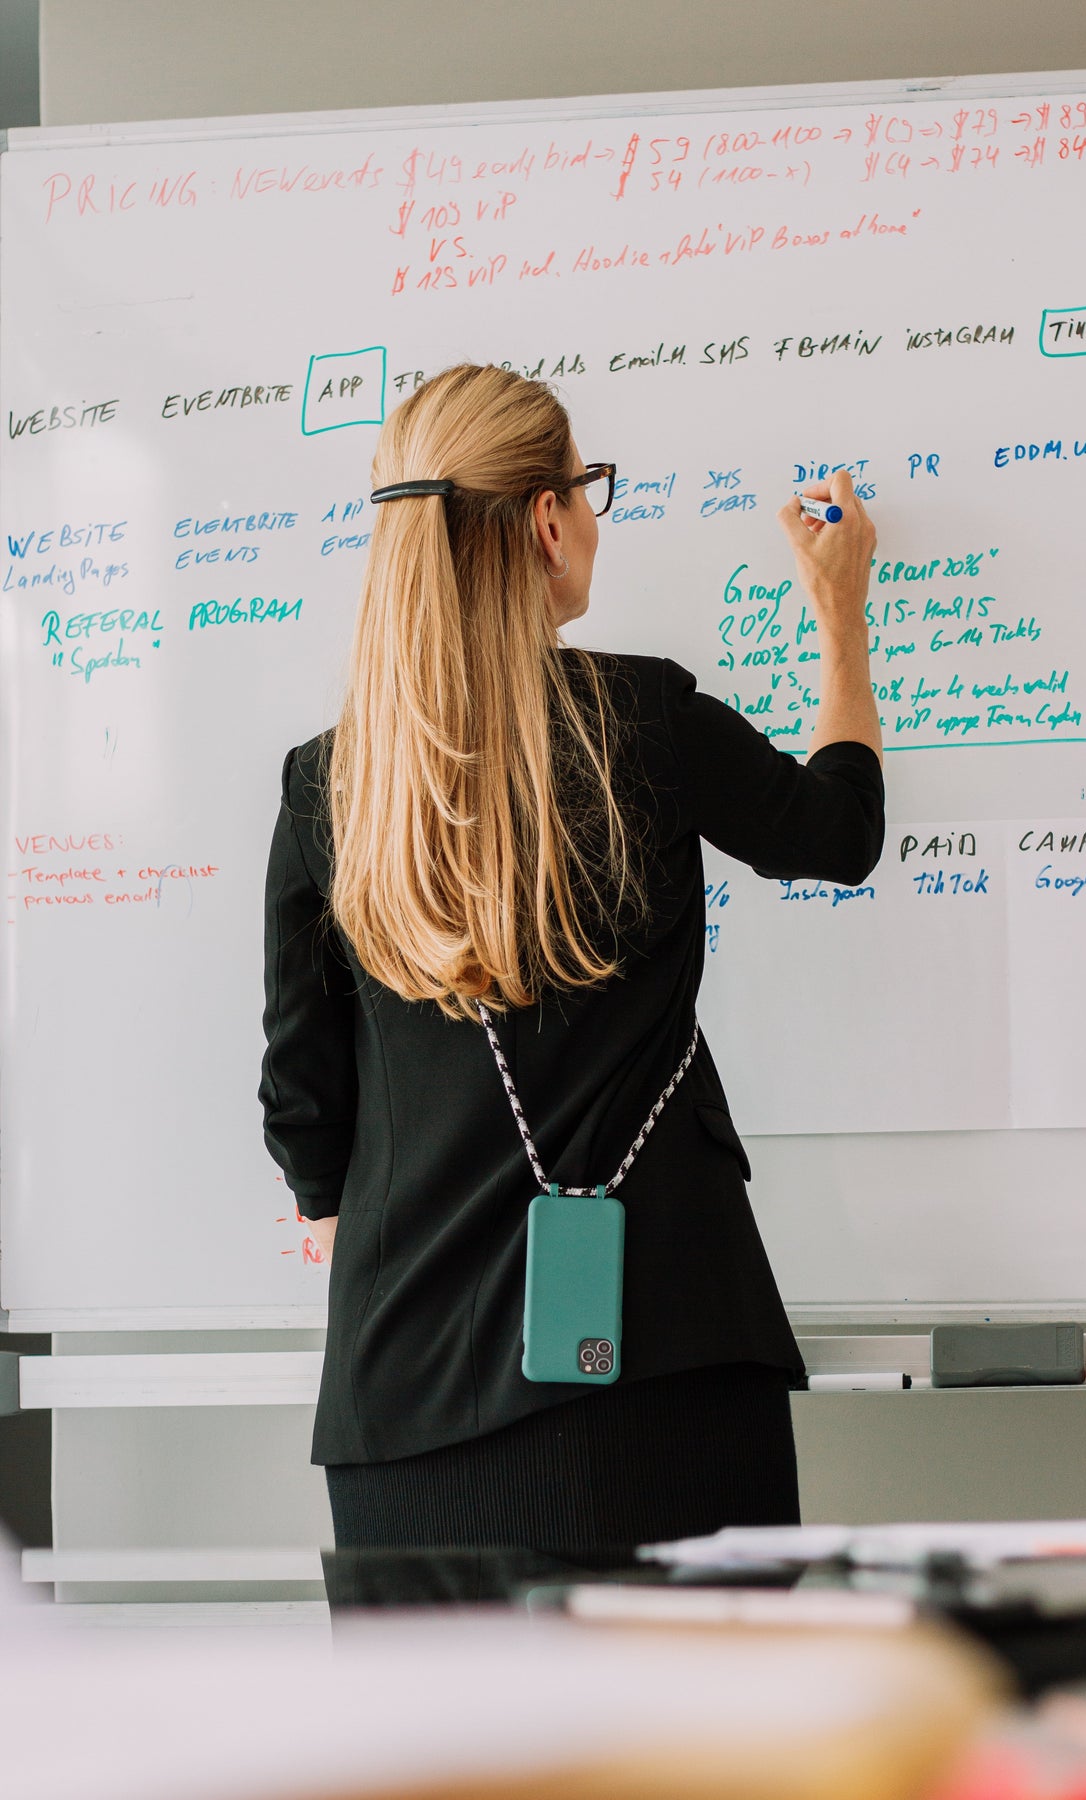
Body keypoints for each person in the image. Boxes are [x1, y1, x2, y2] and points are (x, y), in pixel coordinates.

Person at [259, 362, 884, 1552]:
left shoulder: (328, 783)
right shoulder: (644, 721)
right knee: (693, 1739)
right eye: (589, 489)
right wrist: (840, 612)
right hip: (665, 1370)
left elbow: (304, 1110)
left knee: (447, 1746)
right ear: (548, 518)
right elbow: (836, 834)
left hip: (406, 1398)